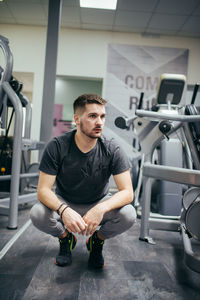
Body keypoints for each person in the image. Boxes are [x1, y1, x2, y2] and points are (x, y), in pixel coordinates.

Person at [30, 94, 136, 269]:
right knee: (37, 214)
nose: (100, 122)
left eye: (102, 117)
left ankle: (96, 241)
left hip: (98, 201)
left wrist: (100, 209)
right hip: (66, 201)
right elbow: (43, 190)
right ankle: (65, 239)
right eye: (93, 116)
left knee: (129, 214)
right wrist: (64, 210)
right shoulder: (57, 146)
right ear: (77, 119)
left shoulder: (112, 149)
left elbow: (127, 192)